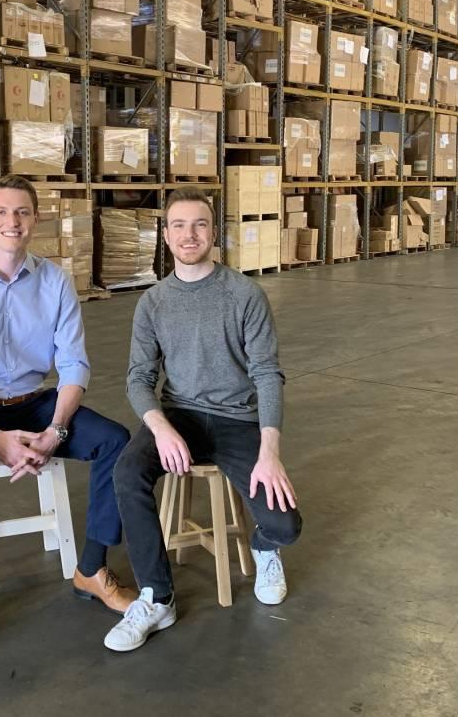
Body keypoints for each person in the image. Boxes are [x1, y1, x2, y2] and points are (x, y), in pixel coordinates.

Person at [0, 174, 135, 664]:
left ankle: (91, 568)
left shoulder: (55, 280)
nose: (11, 222)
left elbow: (74, 364)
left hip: (37, 402)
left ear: (35, 219)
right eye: (1, 212)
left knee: (117, 441)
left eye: (21, 212)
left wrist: (56, 429)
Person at [104, 187, 303, 653]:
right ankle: (157, 596)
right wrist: (160, 425)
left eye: (199, 224)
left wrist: (270, 452)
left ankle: (264, 547)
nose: (189, 234)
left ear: (214, 232)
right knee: (127, 471)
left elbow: (268, 374)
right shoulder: (153, 303)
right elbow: (138, 378)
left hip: (237, 420)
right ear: (166, 235)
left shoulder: (244, 295)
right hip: (179, 417)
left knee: (287, 524)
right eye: (178, 225)